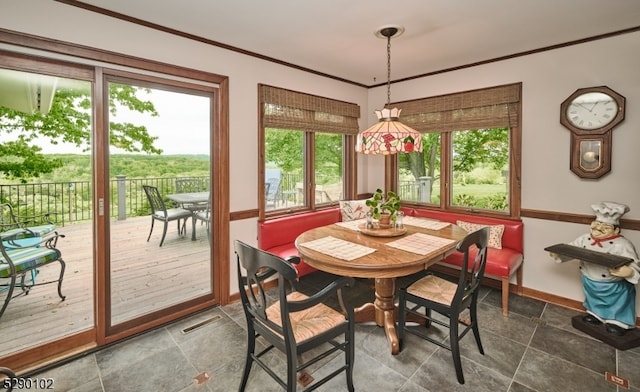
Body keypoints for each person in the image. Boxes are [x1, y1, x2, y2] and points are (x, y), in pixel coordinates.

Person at [550, 201, 640, 336]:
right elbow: (571, 249)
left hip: (612, 284)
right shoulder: (585, 239)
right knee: (593, 298)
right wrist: (559, 254)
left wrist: (628, 271)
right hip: (589, 279)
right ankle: (595, 315)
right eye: (597, 225)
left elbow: (634, 263)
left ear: (616, 230)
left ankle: (617, 322)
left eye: (605, 227)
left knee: (618, 302)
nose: (598, 229)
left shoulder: (622, 244)